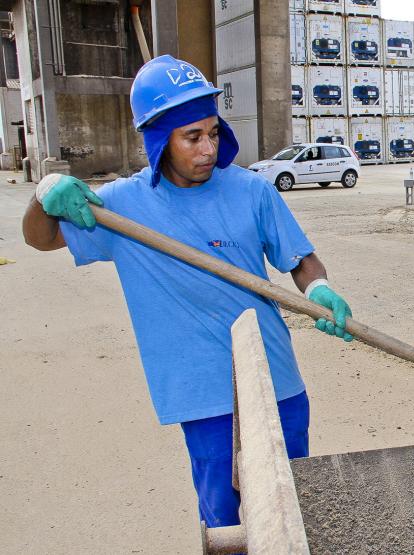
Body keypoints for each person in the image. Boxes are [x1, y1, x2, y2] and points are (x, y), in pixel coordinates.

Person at [21, 55, 352, 529]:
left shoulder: (251, 191)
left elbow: (299, 260)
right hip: (202, 395)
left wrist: (318, 286)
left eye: (213, 132)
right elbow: (41, 238)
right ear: (159, 139)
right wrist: (44, 193)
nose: (208, 149)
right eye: (191, 136)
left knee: (295, 509)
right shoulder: (119, 208)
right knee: (226, 519)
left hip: (277, 381)